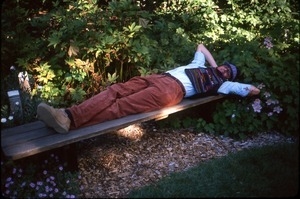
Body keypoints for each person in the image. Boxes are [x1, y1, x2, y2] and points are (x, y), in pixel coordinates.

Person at [37, 44, 260, 134]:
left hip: (171, 91)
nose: (224, 70)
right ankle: (67, 115)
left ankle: (69, 119)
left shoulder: (223, 84)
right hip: (157, 78)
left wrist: (228, 81)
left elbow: (252, 90)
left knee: (120, 107)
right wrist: (213, 66)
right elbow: (200, 46)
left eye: (228, 72)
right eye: (224, 67)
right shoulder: (199, 64)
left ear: (230, 78)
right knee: (115, 90)